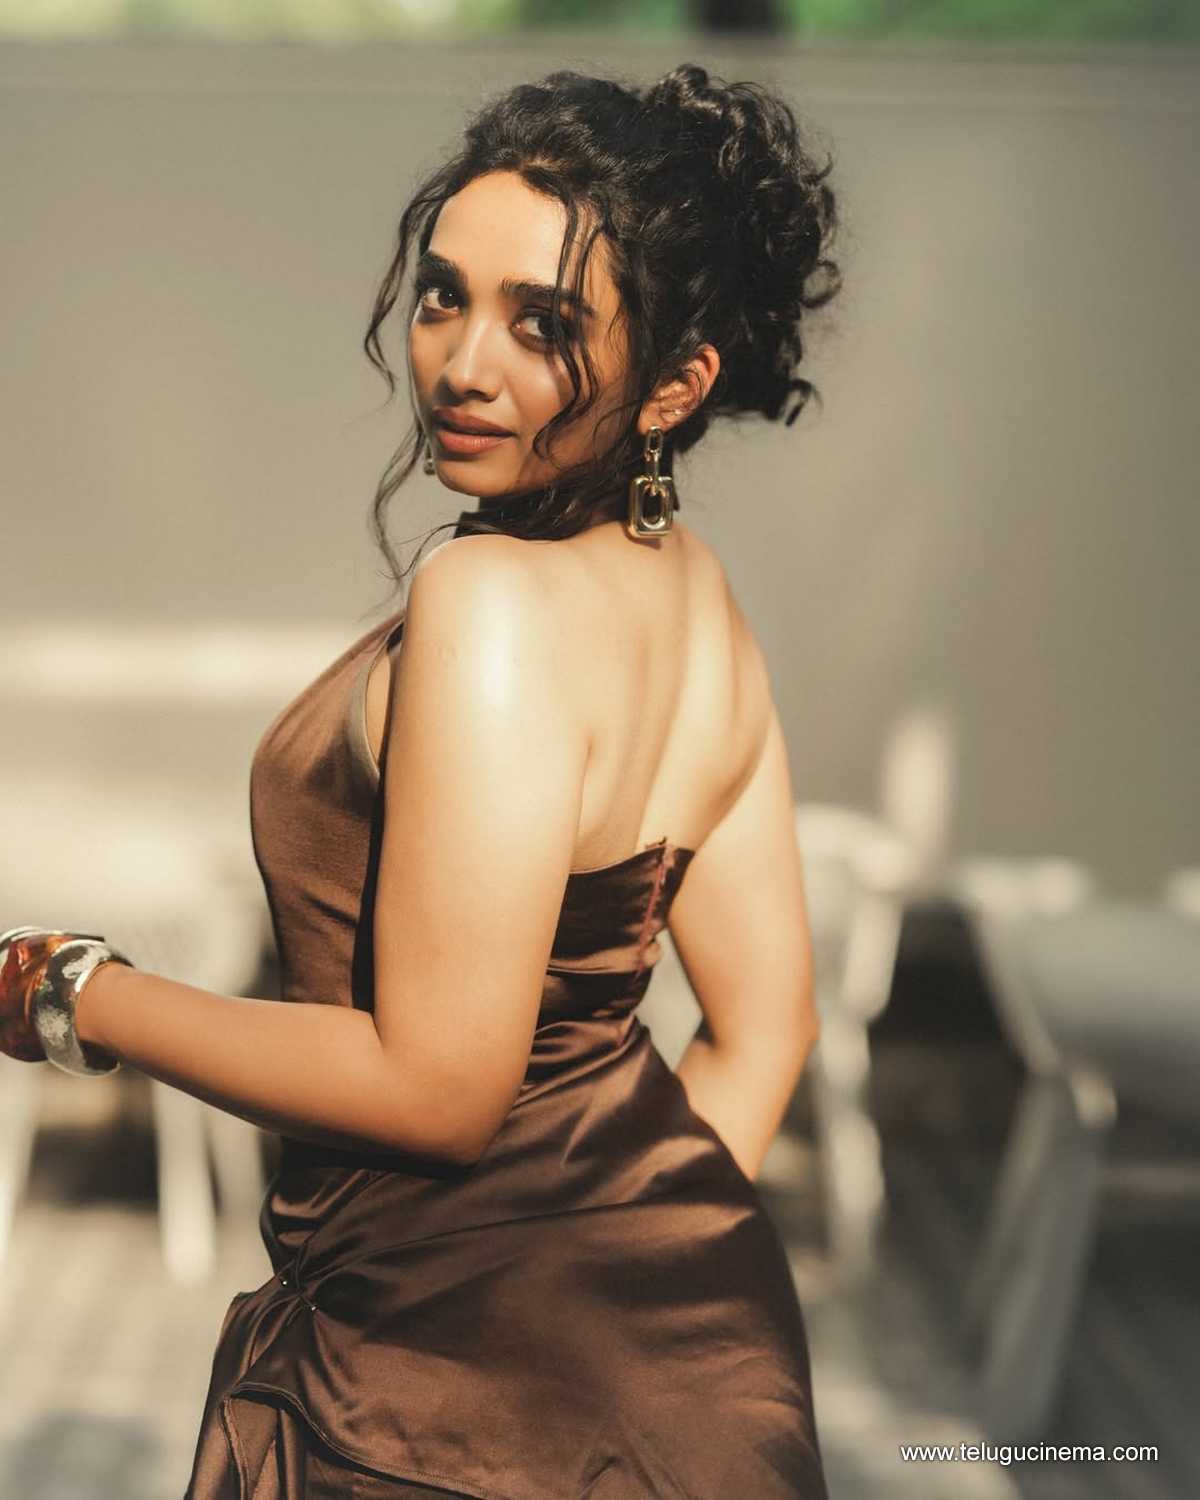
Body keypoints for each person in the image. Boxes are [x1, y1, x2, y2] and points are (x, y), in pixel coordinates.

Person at [0, 61, 841, 1499]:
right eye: (445, 297)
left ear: (675, 384)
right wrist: (618, 1272)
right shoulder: (701, 602)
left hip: (445, 1405)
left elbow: (438, 1085)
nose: (463, 364)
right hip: (708, 1380)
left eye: (545, 324)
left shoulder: (489, 602)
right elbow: (769, 1033)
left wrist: (68, 989)